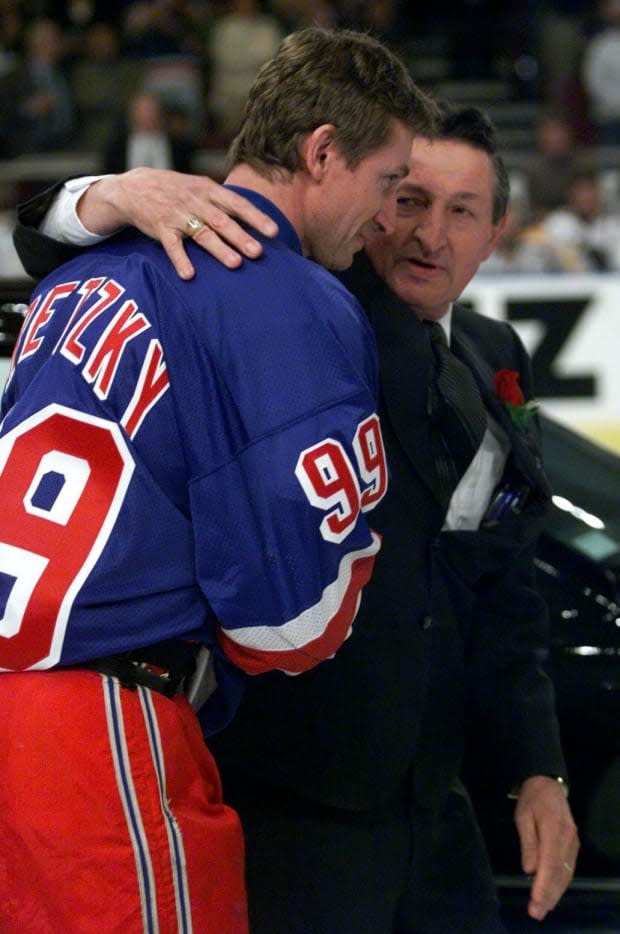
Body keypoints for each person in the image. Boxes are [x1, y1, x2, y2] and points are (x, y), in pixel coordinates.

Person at [12, 105, 579, 933]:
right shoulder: (279, 305)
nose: (429, 233)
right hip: (288, 816)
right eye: (408, 198)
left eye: (462, 211)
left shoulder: (495, 354)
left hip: (437, 821)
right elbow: (46, 249)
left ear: (497, 232)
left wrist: (540, 771)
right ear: (371, 197)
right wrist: (108, 194)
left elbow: (506, 583)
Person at [0, 26, 435, 934]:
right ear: (323, 153)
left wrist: (97, 195)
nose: (392, 218)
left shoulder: (88, 264)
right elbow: (287, 624)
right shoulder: (288, 296)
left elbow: (36, 235)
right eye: (389, 185)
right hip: (100, 733)